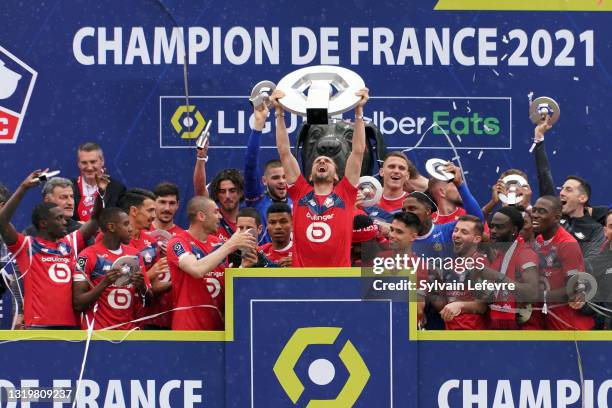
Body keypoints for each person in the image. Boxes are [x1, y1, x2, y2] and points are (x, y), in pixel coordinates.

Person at [272, 87, 369, 267]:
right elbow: (284, 152)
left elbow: (357, 152)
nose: (322, 161)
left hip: (338, 278)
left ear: (336, 175)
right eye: (318, 161)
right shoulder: (300, 191)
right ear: (310, 173)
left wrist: (358, 112)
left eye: (327, 161)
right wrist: (279, 113)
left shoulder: (346, 192)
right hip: (302, 279)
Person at [0, 170, 103, 329]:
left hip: (71, 327)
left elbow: (95, 218)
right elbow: (2, 221)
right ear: (43, 224)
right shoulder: (26, 246)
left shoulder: (71, 242)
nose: (64, 222)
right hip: (39, 327)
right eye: (59, 218)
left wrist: (101, 193)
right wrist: (23, 187)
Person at [166, 196, 256, 330]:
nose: (220, 216)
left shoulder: (219, 244)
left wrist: (243, 267)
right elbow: (196, 270)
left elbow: (226, 288)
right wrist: (231, 244)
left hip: (218, 330)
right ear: (201, 216)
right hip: (188, 329)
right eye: (215, 212)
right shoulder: (178, 242)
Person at [532, 117, 605, 260]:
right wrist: (539, 138)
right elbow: (544, 175)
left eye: (569, 190)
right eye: (562, 189)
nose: (561, 193)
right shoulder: (551, 218)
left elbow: (592, 261)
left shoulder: (594, 229)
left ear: (582, 198)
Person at [73, 207, 150, 330]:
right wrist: (104, 283)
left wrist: (142, 286)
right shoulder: (87, 256)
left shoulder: (135, 255)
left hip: (128, 333)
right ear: (112, 227)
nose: (131, 229)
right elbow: (78, 304)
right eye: (126, 224)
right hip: (97, 334)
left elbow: (148, 302)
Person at [531, 196, 594, 330]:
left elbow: (573, 289)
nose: (535, 215)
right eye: (534, 210)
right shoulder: (539, 240)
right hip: (545, 314)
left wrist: (537, 295)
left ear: (557, 217)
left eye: (542, 211)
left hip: (568, 323)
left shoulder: (567, 244)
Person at [402, 162, 484, 259]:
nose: (407, 213)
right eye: (404, 210)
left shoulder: (446, 230)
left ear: (427, 210)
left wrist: (460, 184)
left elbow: (477, 221)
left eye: (412, 208)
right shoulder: (399, 237)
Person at [244, 102, 292, 244]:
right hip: (265, 264)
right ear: (264, 181)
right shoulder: (258, 201)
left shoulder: (297, 202)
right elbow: (250, 166)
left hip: (294, 264)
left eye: (284, 177)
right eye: (276, 178)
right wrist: (259, 124)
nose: (282, 181)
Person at [484, 207, 540, 329]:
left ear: (514, 230)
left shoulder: (525, 254)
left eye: (499, 227)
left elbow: (532, 292)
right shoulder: (499, 252)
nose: (493, 231)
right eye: (492, 226)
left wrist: (496, 276)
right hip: (499, 326)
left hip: (521, 333)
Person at [438, 215, 489, 330]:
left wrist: (460, 305)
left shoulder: (483, 264)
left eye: (464, 232)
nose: (456, 235)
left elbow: (482, 306)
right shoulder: (449, 264)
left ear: (476, 239)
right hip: (450, 335)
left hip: (474, 336)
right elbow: (444, 305)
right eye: (455, 230)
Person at [73, 142, 126, 222]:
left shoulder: (117, 189)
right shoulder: (70, 187)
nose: (89, 167)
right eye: (84, 163)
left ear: (102, 161)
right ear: (78, 164)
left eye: (93, 162)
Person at [363, 152, 412, 223]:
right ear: (381, 172)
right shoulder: (366, 201)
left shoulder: (414, 204)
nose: (396, 171)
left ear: (407, 176)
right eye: (391, 166)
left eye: (401, 168)